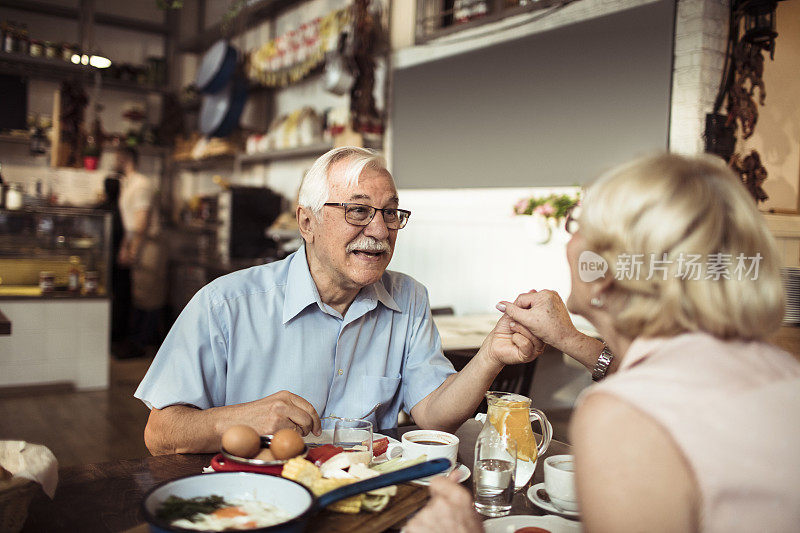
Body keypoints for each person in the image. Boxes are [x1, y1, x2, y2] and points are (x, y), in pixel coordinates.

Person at [405, 153, 800, 533]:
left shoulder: (623, 412)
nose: (570, 239)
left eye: (579, 222)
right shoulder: (781, 369)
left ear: (604, 271)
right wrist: (566, 337)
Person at [135, 147, 547, 455]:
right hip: (260, 499)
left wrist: (490, 355)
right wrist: (239, 418)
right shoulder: (226, 304)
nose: (380, 231)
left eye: (390, 213)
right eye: (357, 211)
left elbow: (432, 415)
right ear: (307, 222)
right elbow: (160, 434)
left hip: (366, 499)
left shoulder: (409, 297)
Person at [116, 146, 165, 358]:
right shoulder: (129, 184)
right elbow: (130, 223)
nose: (115, 161)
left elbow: (141, 222)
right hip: (138, 242)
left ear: (127, 158)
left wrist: (132, 249)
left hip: (149, 245)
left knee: (149, 296)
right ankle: (137, 341)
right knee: (140, 294)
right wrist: (124, 247)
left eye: (117, 157)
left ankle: (143, 344)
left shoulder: (141, 185)